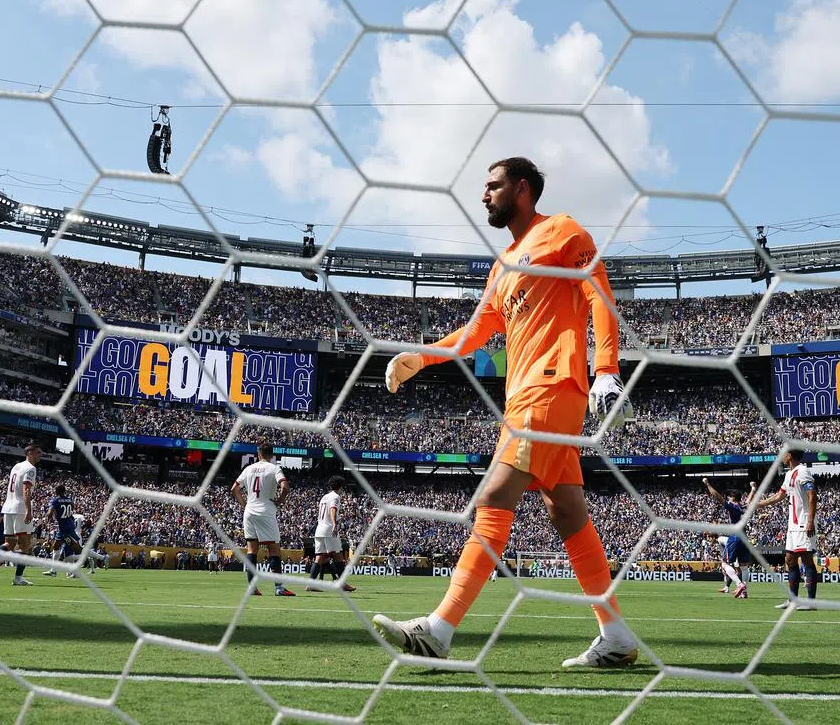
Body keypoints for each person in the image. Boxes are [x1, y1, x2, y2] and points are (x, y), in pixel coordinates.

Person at [372, 157, 637, 668]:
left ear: (522, 189)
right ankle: (617, 634)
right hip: (523, 399)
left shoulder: (562, 231)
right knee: (566, 512)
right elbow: (476, 332)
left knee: (494, 493)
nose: (484, 195)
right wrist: (421, 357)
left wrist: (606, 369)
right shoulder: (504, 265)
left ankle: (440, 629)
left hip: (552, 386)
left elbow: (597, 295)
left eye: (492, 186)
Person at [754, 449, 818, 610]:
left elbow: (812, 495)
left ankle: (811, 602)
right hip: (792, 525)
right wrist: (760, 504)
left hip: (803, 521)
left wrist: (810, 520)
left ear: (789, 456)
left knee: (806, 559)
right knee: (789, 559)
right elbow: (779, 495)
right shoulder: (789, 474)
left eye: (784, 454)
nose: (782, 457)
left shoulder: (802, 472)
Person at [232, 443, 294, 597]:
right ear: (272, 455)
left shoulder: (248, 469)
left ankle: (252, 588)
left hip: (250, 511)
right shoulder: (274, 468)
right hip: (266, 511)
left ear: (258, 454)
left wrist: (244, 504)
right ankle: (279, 588)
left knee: (252, 550)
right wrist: (280, 501)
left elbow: (234, 489)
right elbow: (285, 487)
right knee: (274, 550)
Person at [0, 444, 42, 586]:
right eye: (37, 452)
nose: (39, 455)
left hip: (8, 507)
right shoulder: (31, 468)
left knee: (10, 543)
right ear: (29, 452)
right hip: (20, 508)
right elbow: (26, 489)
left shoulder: (16, 466)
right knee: (25, 544)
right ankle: (18, 578)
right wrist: (29, 510)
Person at [703, 478, 752, 598]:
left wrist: (708, 484)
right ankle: (744, 592)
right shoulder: (744, 506)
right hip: (744, 537)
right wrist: (753, 489)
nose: (728, 498)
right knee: (743, 566)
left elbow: (717, 497)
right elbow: (749, 500)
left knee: (725, 564)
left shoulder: (733, 506)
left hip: (735, 537)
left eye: (729, 497)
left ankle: (739, 584)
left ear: (733, 498)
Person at [307, 476, 356, 593]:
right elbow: (332, 509)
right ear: (340, 486)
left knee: (319, 558)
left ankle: (310, 584)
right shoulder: (335, 497)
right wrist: (334, 524)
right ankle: (342, 584)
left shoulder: (324, 497)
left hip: (319, 530)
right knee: (338, 556)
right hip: (329, 530)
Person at [42, 484, 82, 576]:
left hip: (64, 528)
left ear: (56, 492)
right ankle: (53, 570)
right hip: (69, 525)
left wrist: (47, 518)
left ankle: (92, 558)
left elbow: (50, 513)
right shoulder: (70, 500)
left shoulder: (55, 501)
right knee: (56, 547)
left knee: (77, 550)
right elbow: (72, 508)